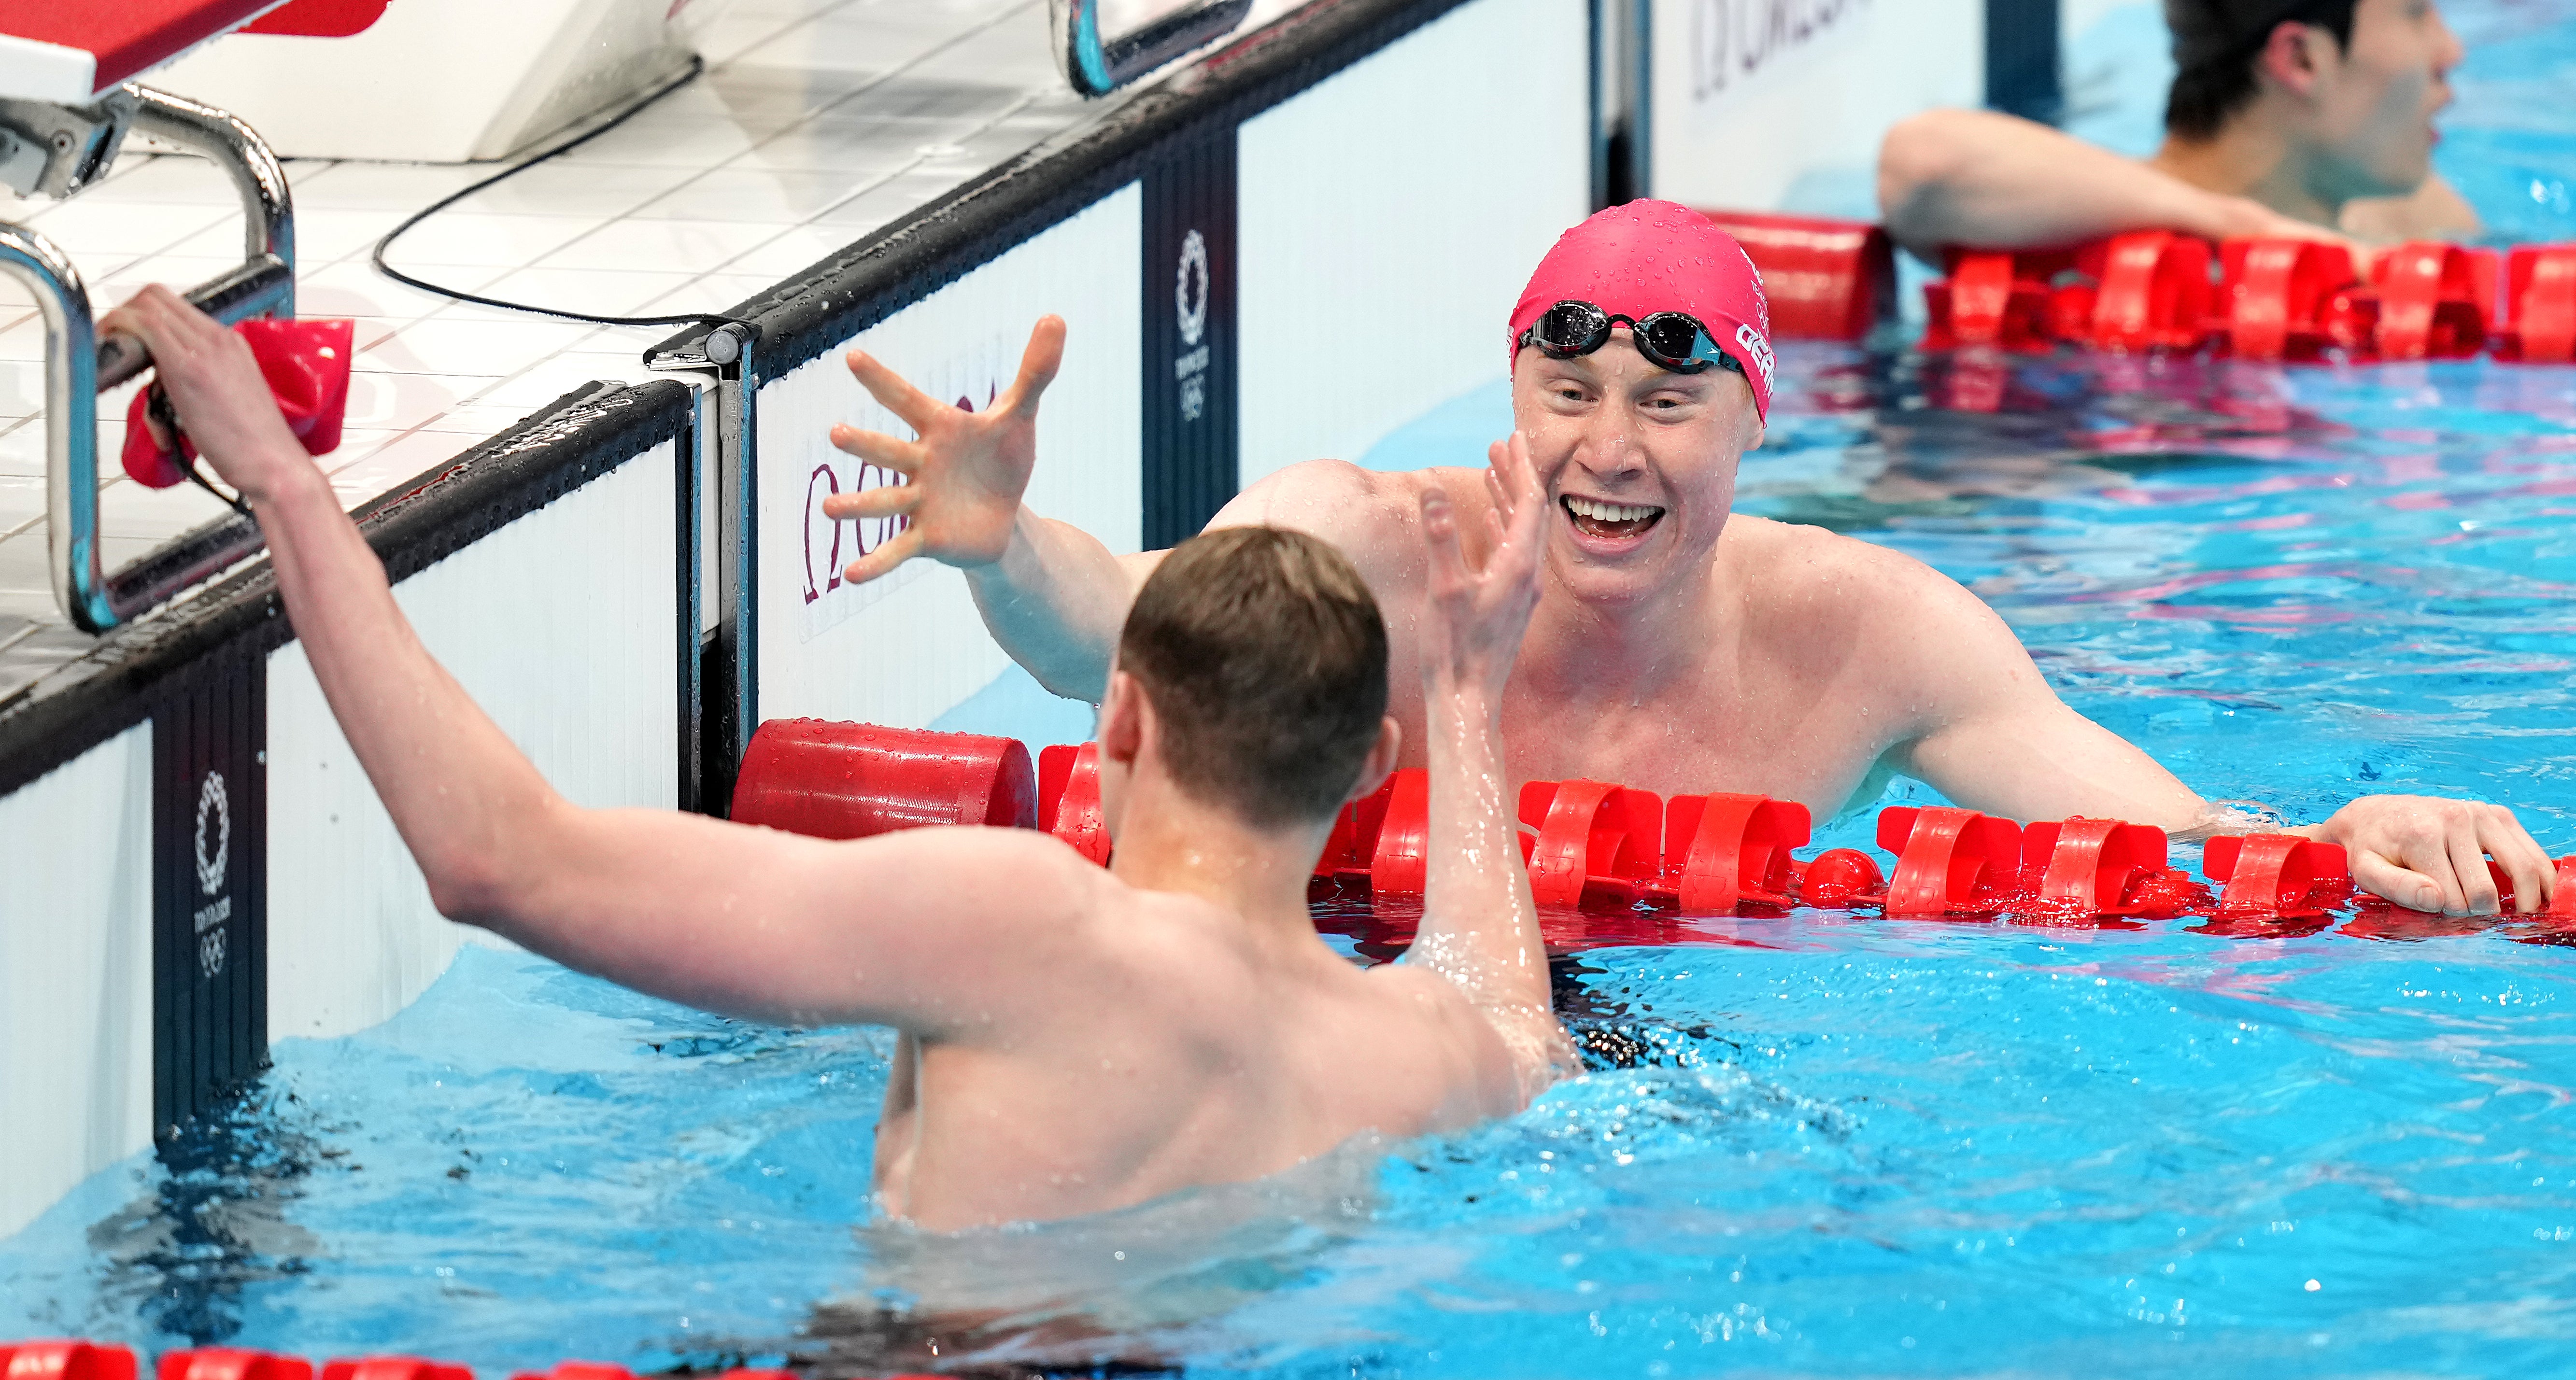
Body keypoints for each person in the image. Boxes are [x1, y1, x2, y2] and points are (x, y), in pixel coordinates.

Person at [102, 283, 1577, 1234]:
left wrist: (281, 476)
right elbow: (1519, 1013)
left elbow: (497, 857)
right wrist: (1467, 687)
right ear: (1364, 755)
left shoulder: (1025, 927)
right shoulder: (1418, 1046)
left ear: (1119, 719)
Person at [820, 198, 2557, 918]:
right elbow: (1119, 640)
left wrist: (2325, 847)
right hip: (1351, 975)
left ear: (1751, 425)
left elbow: (2144, 827)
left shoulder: (1866, 627)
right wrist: (997, 551)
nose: (1603, 448)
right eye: (1562, 389)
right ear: (1510, 388)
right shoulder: (1364, 540)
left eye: (1664, 399)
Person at [1876, 0, 2476, 262]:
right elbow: (1922, 161)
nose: (2452, 50)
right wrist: (2243, 228)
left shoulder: (2417, 217)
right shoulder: (2073, 226)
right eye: (2417, 11)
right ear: (2302, 60)